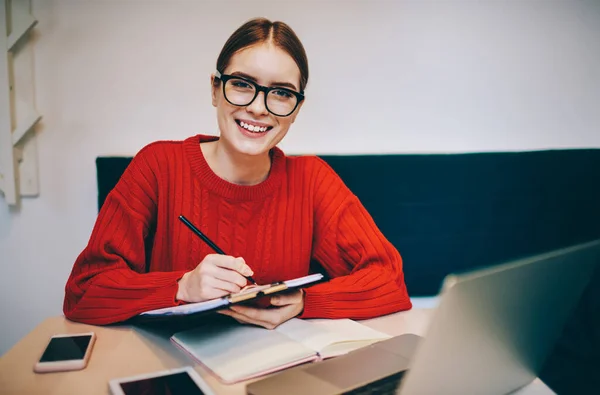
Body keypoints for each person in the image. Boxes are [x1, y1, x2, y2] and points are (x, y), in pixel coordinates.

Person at [63, 17, 412, 329]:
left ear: (296, 108)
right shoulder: (157, 166)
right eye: (243, 84)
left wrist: (305, 302)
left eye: (280, 93)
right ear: (215, 89)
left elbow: (389, 281)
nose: (258, 108)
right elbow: (84, 291)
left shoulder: (312, 180)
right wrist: (182, 286)